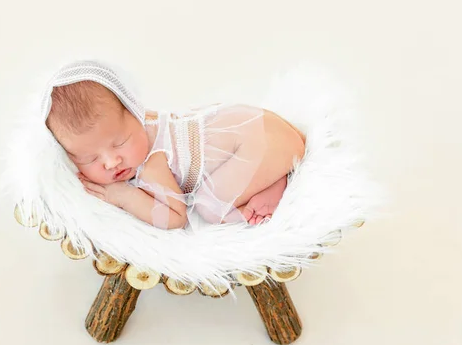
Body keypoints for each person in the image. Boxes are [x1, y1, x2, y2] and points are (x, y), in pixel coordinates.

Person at [43, 60, 306, 230]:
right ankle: (271, 171)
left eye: (120, 143)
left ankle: (277, 183)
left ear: (136, 113)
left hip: (262, 144)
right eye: (90, 159)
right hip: (257, 127)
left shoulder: (152, 163)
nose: (112, 162)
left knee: (210, 207)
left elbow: (175, 218)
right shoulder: (140, 123)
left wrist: (124, 196)